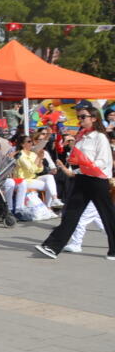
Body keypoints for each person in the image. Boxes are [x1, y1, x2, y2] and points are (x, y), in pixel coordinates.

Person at [36, 106, 115, 260]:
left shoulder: (100, 137)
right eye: (79, 116)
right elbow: (76, 157)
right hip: (82, 178)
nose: (80, 119)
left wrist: (83, 166)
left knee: (107, 215)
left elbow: (103, 161)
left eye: (83, 116)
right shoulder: (81, 136)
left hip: (97, 180)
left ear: (94, 118)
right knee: (71, 213)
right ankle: (52, 246)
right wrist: (73, 162)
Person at [12, 135, 61, 213]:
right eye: (29, 142)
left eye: (31, 141)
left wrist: (40, 159)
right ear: (22, 144)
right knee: (49, 186)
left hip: (32, 178)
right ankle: (48, 207)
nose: (31, 143)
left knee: (49, 177)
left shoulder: (33, 154)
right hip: (23, 180)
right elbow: (31, 170)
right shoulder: (20, 155)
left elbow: (39, 170)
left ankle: (54, 199)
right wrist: (39, 158)